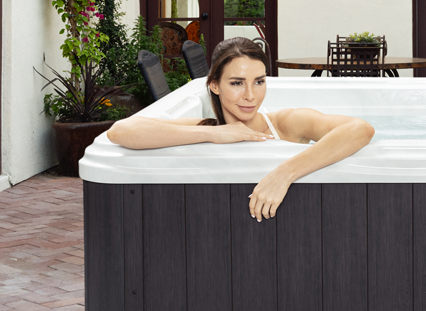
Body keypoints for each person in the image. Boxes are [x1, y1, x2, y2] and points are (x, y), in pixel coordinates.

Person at [106, 37, 374, 221]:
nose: (250, 95)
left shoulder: (286, 124)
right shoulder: (208, 128)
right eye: (236, 83)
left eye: (259, 82)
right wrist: (214, 133)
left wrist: (284, 174)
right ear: (214, 85)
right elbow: (121, 131)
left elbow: (360, 129)